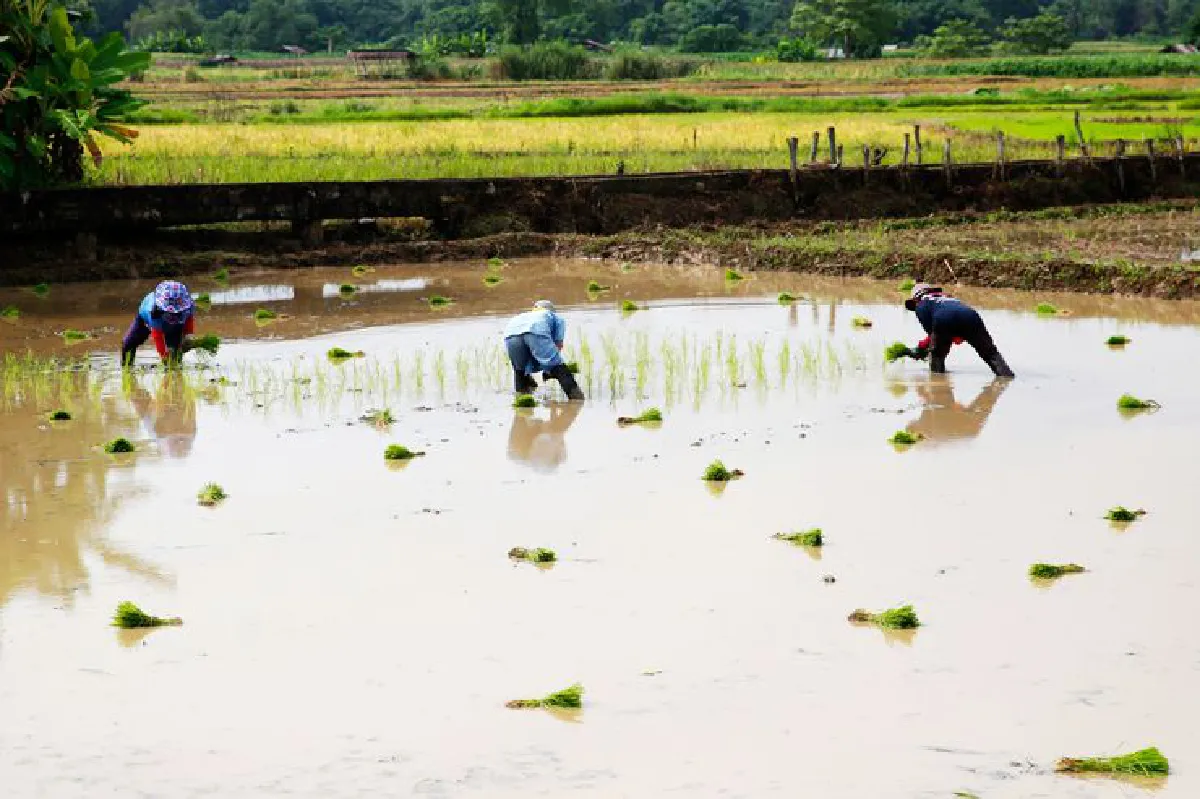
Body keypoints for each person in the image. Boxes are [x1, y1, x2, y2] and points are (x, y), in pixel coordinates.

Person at [899, 284, 1014, 377]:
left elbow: (934, 336)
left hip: (944, 319)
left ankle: (938, 385)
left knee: (937, 355)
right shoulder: (949, 298)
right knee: (990, 353)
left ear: (916, 299)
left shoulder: (921, 305)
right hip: (971, 315)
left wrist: (921, 350)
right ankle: (1006, 377)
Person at [503, 300, 584, 400]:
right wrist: (551, 368)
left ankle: (522, 402)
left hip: (510, 335)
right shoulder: (554, 317)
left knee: (520, 371)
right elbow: (558, 345)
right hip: (536, 330)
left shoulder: (523, 316)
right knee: (558, 367)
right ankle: (577, 400)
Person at [121, 280, 197, 367]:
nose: (173, 314)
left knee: (175, 350)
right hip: (145, 320)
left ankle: (176, 369)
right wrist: (164, 356)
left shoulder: (188, 307)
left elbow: (189, 319)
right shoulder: (154, 313)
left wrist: (188, 335)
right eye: (170, 312)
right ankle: (127, 368)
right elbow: (158, 337)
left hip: (176, 325)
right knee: (128, 344)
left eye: (176, 313)